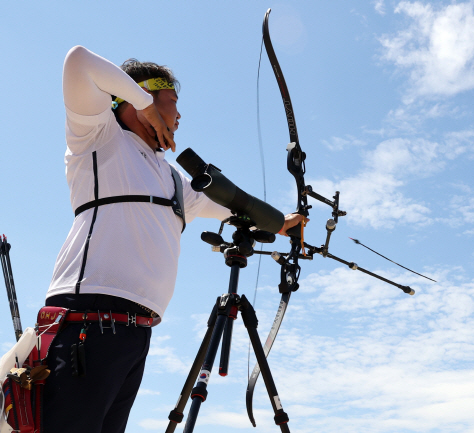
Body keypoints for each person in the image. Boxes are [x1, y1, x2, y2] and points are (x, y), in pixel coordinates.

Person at [42, 45, 306, 433]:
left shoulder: (174, 180)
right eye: (170, 102)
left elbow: (238, 208)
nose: (179, 115)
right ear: (141, 97)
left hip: (136, 332)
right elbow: (78, 61)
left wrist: (285, 222)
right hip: (88, 320)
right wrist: (143, 100)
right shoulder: (98, 137)